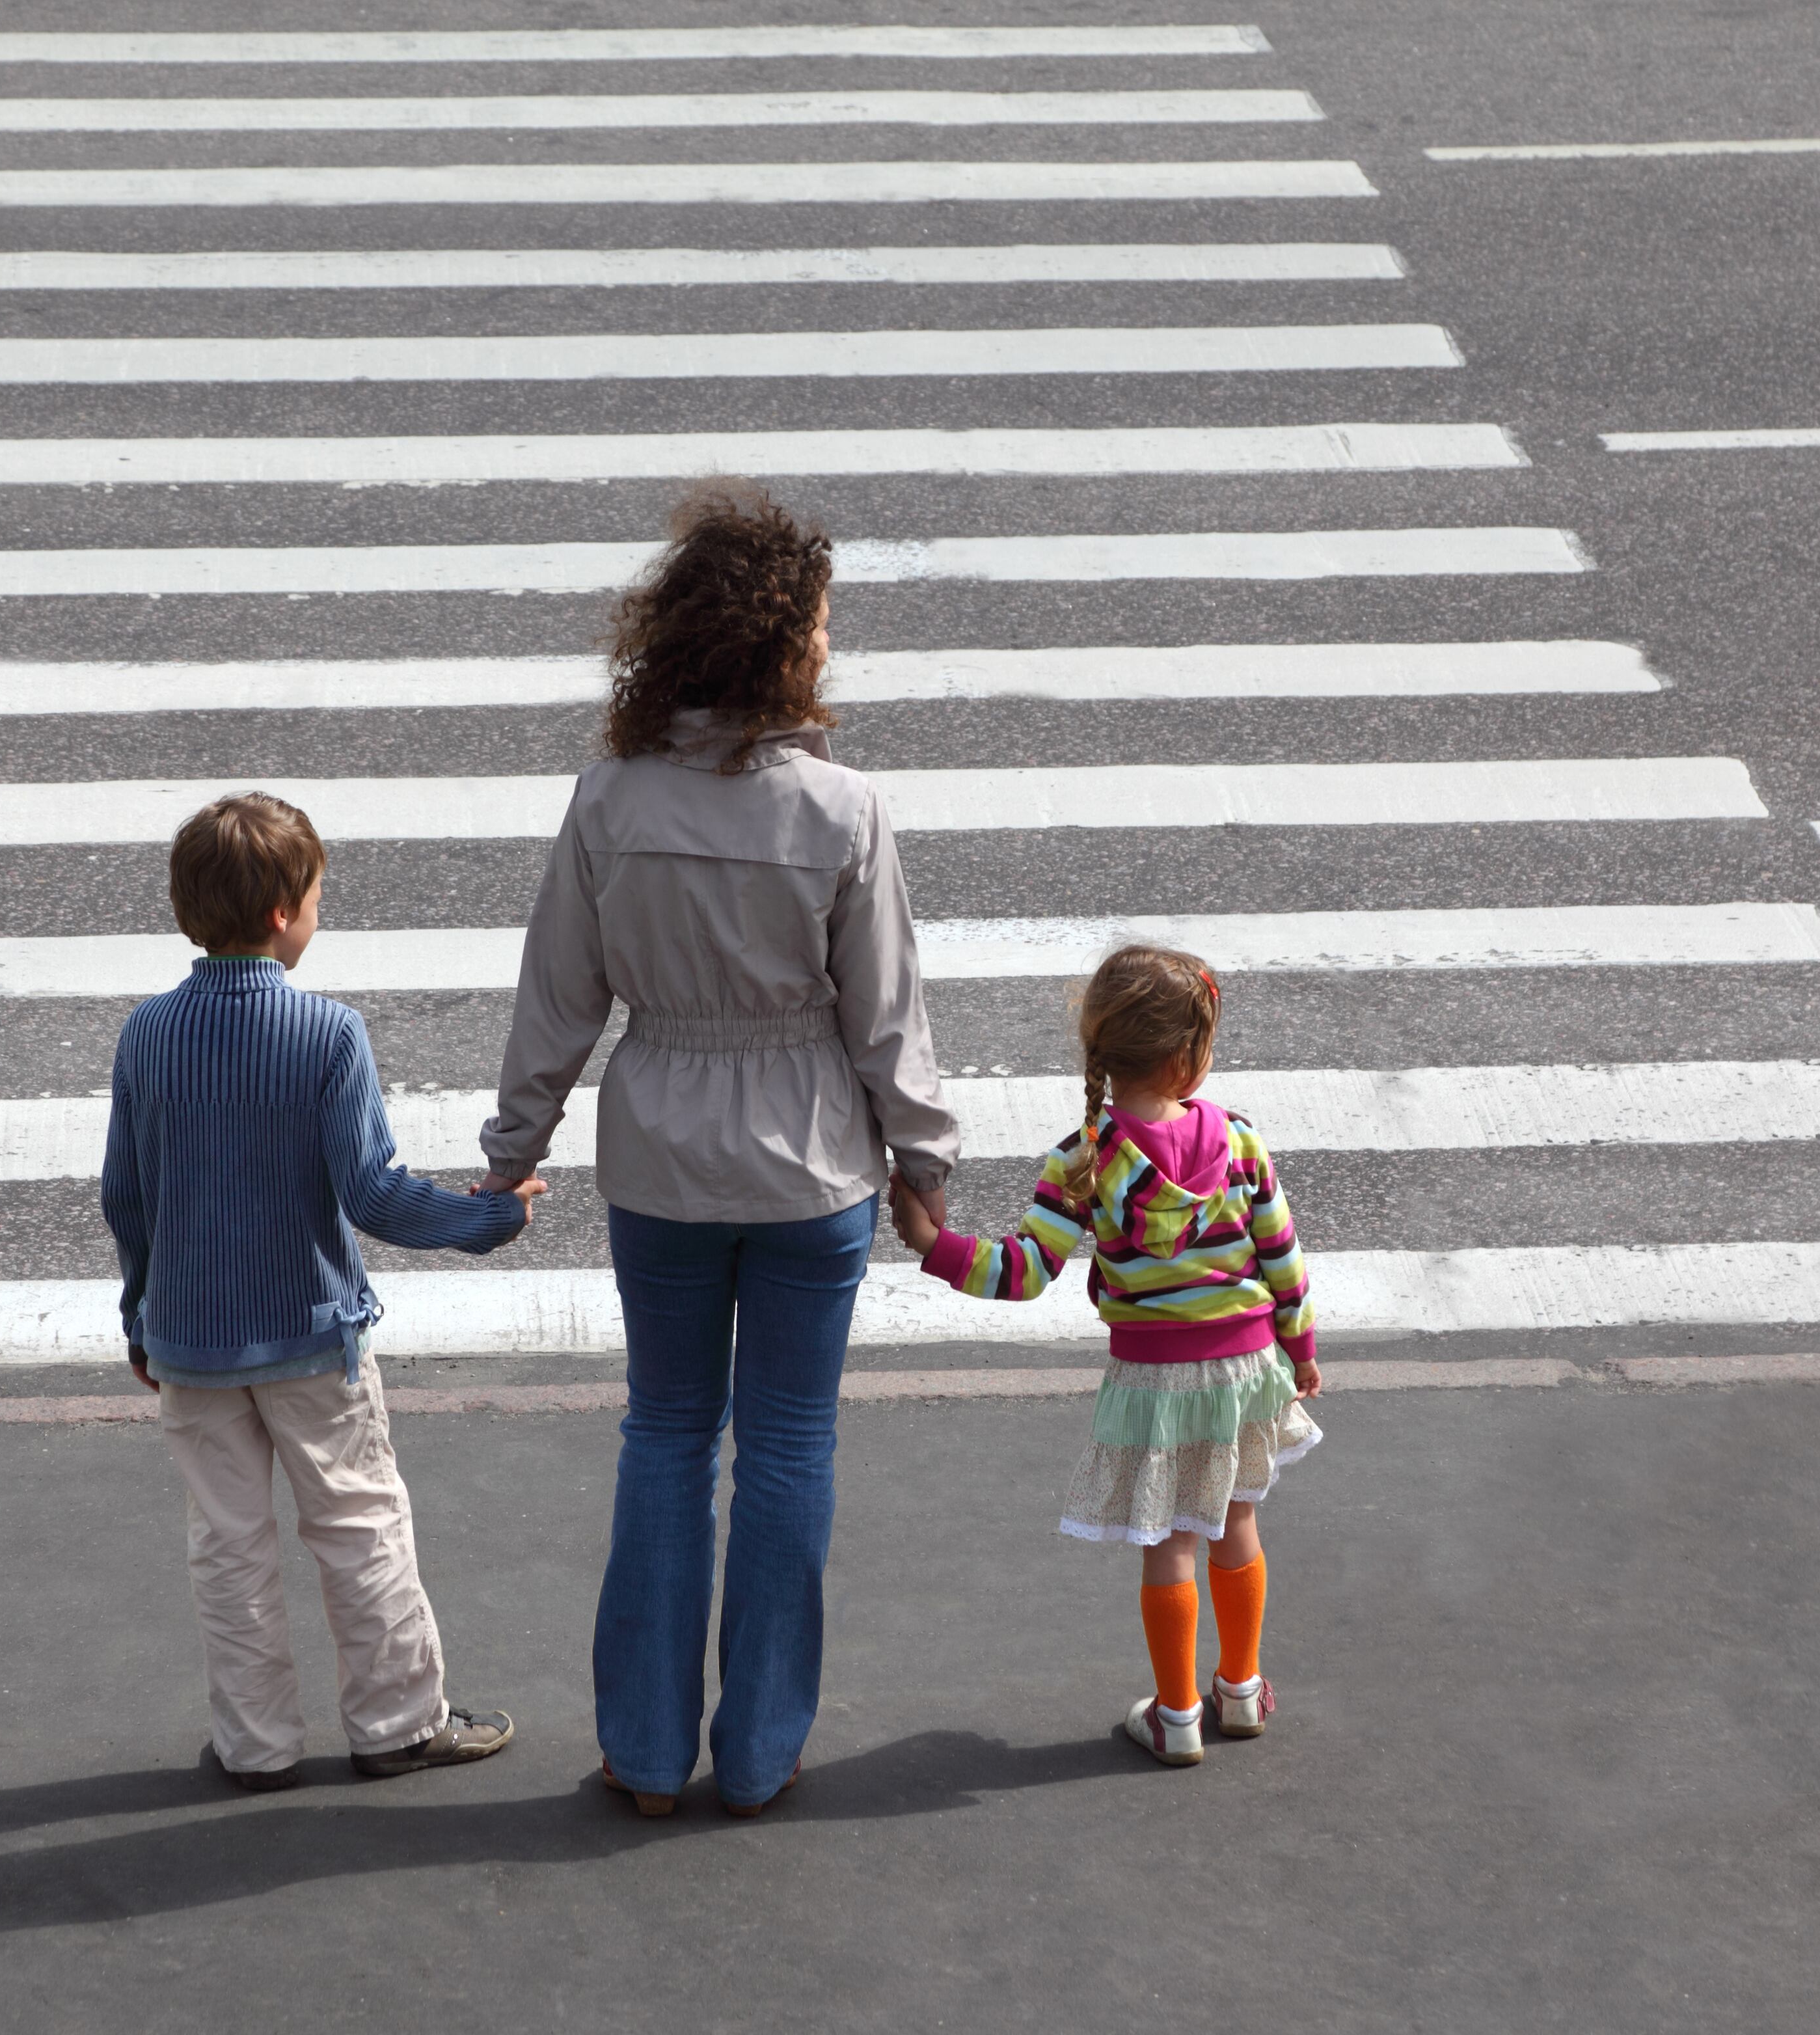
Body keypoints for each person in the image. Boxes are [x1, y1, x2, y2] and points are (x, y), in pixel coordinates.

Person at [481, 482, 962, 1820]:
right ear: (782, 646)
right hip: (813, 1168)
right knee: (792, 1451)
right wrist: (922, 1171)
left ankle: (643, 1751)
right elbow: (885, 1018)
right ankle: (758, 1752)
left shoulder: (608, 799)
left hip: (662, 1162)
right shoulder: (840, 809)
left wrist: (511, 1150)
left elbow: (558, 998)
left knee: (666, 1436)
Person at [103, 791, 547, 1794]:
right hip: (309, 1337)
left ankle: (255, 1744)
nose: (316, 913)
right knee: (358, 1526)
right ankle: (396, 1723)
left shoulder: (147, 1037)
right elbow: (374, 1195)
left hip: (189, 1345)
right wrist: (492, 1215)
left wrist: (140, 1312)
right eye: (314, 897)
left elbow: (126, 1195)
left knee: (228, 1547)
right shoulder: (326, 1035)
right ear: (280, 915)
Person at [889, 943, 1320, 1769]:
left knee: (1170, 1542)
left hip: (1154, 1382)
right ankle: (1241, 1688)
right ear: (1186, 1058)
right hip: (1243, 1369)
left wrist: (932, 1243)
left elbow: (1023, 1273)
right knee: (1236, 1522)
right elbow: (1282, 1259)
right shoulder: (1238, 1142)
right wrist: (1299, 1350)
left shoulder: (1084, 1161)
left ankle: (1176, 1712)